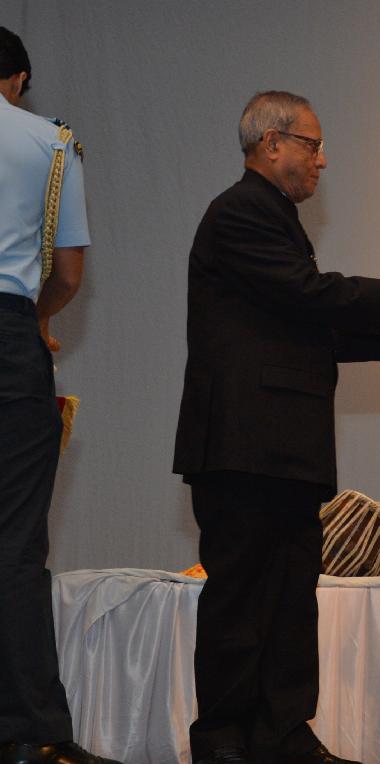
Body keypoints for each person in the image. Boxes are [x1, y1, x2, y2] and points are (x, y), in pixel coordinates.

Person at [172, 90, 380, 764]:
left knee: (290, 598)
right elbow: (304, 294)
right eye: (313, 143)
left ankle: (283, 734)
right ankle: (223, 741)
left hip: (282, 445)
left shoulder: (272, 217)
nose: (322, 160)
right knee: (242, 598)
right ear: (271, 143)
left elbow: (300, 327)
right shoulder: (240, 211)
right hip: (244, 443)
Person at [0, 27, 122, 764]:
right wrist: (37, 321)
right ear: (17, 80)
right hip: (9, 337)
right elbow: (70, 273)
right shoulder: (50, 142)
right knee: (14, 543)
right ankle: (26, 732)